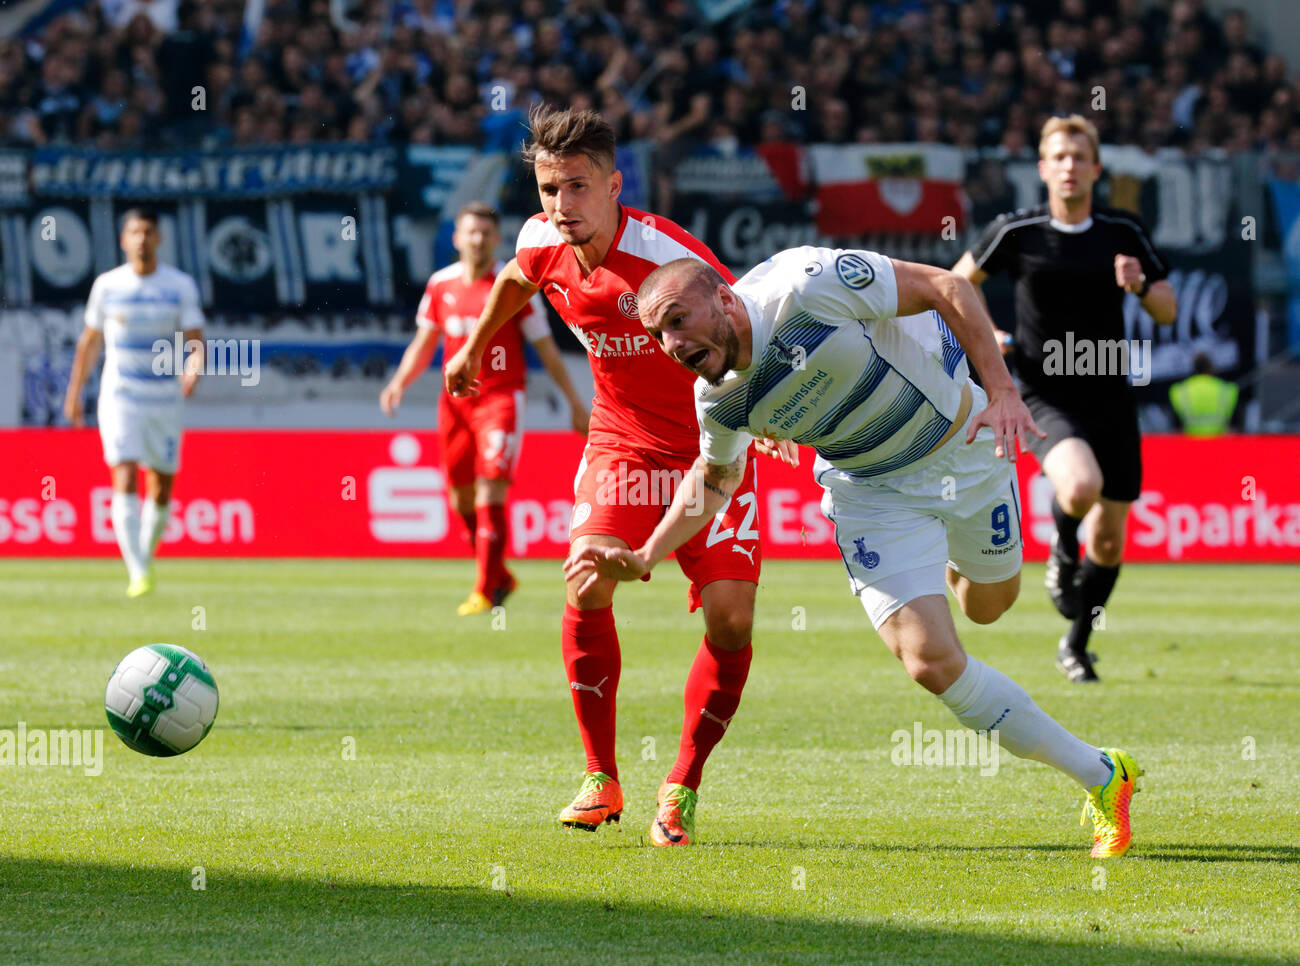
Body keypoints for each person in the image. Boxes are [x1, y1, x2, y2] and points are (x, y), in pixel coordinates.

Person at [566, 250, 1144, 859]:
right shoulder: (719, 402)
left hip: (962, 453)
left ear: (726, 301)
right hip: (870, 494)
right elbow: (714, 477)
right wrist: (648, 553)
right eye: (658, 334)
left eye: (678, 320)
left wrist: (1001, 390)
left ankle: (942, 555)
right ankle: (1104, 775)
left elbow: (946, 284)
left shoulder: (807, 286)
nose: (670, 342)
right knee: (931, 662)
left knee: (988, 606)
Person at [443, 107, 765, 847]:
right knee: (585, 582)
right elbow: (516, 282)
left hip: (710, 446)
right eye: (550, 189)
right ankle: (600, 777)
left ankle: (681, 786)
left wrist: (765, 411)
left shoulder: (668, 257)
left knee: (732, 620)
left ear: (616, 184)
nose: (562, 206)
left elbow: (745, 324)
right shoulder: (538, 237)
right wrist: (471, 349)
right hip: (620, 444)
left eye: (578, 188)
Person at [953, 114, 1177, 683]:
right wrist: (990, 338)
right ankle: (1061, 551)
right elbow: (952, 288)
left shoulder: (1122, 233)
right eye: (1059, 156)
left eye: (1080, 156)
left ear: (1095, 168)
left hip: (1110, 394)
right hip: (1039, 389)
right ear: (1043, 169)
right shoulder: (1016, 231)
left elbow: (1167, 308)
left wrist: (1142, 286)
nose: (1070, 166)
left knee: (1111, 531)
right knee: (1079, 486)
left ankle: (1077, 644)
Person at [381, 201, 589, 615]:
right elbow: (424, 344)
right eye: (470, 232)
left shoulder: (512, 287)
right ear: (456, 238)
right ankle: (500, 575)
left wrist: (575, 403)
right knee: (460, 500)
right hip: (455, 404)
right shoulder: (440, 285)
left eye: (485, 233)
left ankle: (483, 590)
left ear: (497, 239)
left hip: (500, 399)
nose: (477, 240)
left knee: (490, 489)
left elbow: (545, 348)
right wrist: (398, 382)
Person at [63, 207, 204, 597]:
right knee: (123, 473)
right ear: (124, 240)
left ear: (158, 238)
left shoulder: (179, 285)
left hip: (163, 398)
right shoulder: (108, 286)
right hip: (121, 395)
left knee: (160, 485)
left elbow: (195, 340)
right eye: (134, 232)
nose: (141, 239)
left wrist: (194, 367)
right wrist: (74, 394)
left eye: (148, 232)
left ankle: (143, 557)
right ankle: (137, 572)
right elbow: (90, 343)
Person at [1170, 352, 1238, 436]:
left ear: (1194, 367)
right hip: (1219, 444)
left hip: (1191, 445)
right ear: (1211, 367)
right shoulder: (1226, 389)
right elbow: (1233, 428)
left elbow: (1176, 428)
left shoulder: (1180, 390)